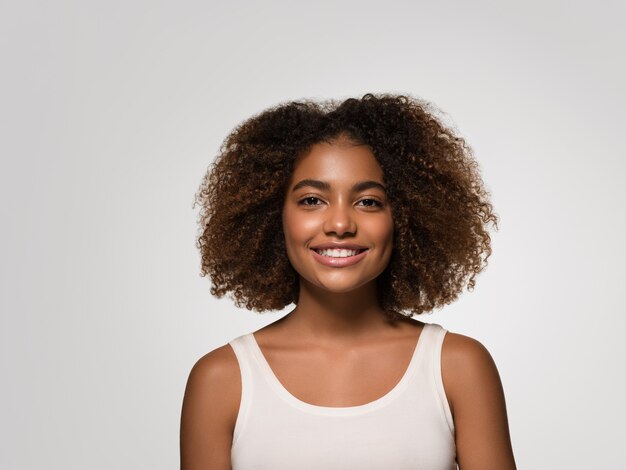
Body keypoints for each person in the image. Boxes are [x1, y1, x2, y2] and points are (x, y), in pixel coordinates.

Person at [180, 94, 516, 469]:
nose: (340, 224)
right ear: (272, 215)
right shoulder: (222, 380)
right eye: (311, 200)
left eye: (368, 202)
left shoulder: (457, 367)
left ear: (404, 217)